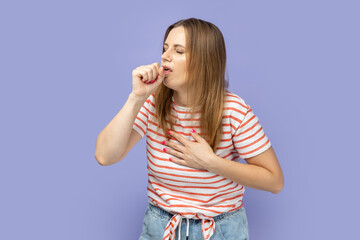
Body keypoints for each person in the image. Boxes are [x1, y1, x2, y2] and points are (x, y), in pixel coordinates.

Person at [95, 18, 284, 240]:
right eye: (165, 48)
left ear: (205, 61)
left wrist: (210, 162)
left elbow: (274, 181)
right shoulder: (152, 102)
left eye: (178, 51)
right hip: (160, 228)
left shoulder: (233, 111)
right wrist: (135, 98)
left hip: (220, 231)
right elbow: (104, 156)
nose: (165, 56)